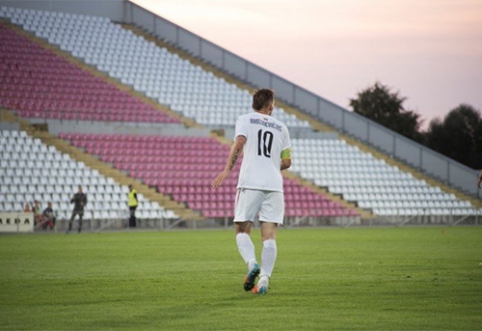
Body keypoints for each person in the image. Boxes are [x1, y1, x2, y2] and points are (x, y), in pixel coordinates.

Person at [211, 89, 292, 295]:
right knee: (269, 236)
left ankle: (252, 264)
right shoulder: (282, 128)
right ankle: (264, 280)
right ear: (271, 106)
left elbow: (239, 142)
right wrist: (271, 166)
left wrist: (227, 169)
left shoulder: (245, 119)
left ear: (254, 104)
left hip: (251, 182)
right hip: (274, 185)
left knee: (241, 230)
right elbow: (287, 161)